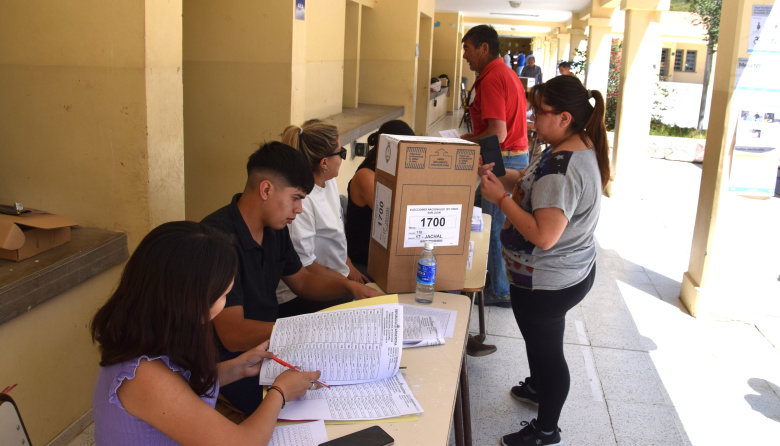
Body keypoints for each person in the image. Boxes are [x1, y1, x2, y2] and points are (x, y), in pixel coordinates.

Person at [91, 221, 321, 445]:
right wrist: (280, 392)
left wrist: (237, 368)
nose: (224, 303)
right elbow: (243, 442)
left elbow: (179, 387)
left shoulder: (150, 333)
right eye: (224, 295)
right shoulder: (144, 376)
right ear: (190, 302)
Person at [201, 142, 381, 417]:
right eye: (295, 198)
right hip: (230, 360)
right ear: (266, 190)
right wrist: (305, 331)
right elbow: (233, 335)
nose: (299, 209)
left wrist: (349, 286)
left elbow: (303, 281)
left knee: (341, 373)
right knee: (305, 406)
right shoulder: (216, 240)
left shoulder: (274, 227)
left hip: (269, 341)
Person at [478, 75, 609, 446]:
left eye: (539, 111)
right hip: (564, 272)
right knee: (539, 342)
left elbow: (544, 235)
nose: (532, 117)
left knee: (548, 354)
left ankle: (546, 431)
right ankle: (538, 387)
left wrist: (500, 199)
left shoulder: (562, 168)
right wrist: (500, 177)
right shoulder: (571, 146)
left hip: (547, 281)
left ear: (565, 117)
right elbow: (529, 181)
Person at [460, 24, 529, 311]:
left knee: (493, 226)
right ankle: (489, 277)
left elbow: (498, 133)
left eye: (467, 49)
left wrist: (467, 140)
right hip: (513, 156)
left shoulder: (491, 79)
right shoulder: (505, 73)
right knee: (478, 213)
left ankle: (500, 290)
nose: (465, 55)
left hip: (504, 160)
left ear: (484, 48)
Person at [277, 120, 368, 306]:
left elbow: (337, 237)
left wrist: (349, 268)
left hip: (335, 274)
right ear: (324, 163)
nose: (343, 158)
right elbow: (305, 266)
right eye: (341, 153)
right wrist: (347, 284)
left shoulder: (328, 181)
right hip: (300, 292)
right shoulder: (302, 201)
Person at [345, 119, 415, 275]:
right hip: (365, 256)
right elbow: (395, 216)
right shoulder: (366, 176)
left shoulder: (392, 170)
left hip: (384, 251)